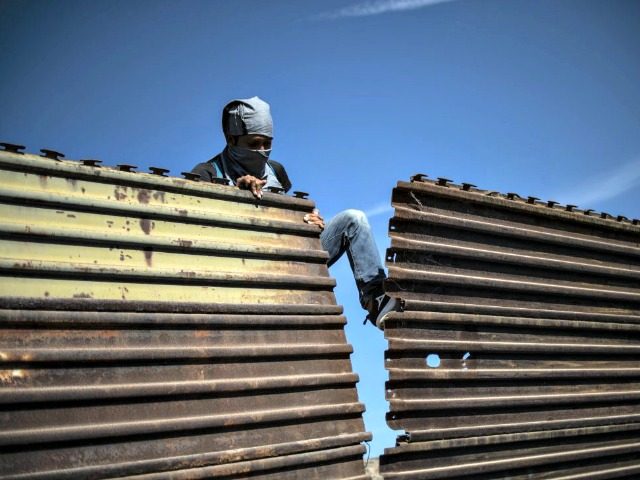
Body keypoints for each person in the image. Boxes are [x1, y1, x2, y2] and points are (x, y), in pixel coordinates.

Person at [191, 96, 397, 328]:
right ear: (231, 138)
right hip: (245, 268)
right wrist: (235, 195)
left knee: (353, 219)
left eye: (267, 143)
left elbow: (287, 217)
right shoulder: (207, 173)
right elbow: (200, 235)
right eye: (254, 143)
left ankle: (376, 300)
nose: (262, 151)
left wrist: (307, 225)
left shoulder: (276, 172)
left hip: (288, 258)